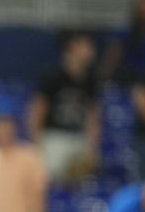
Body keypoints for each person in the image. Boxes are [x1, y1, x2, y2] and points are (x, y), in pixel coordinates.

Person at [27, 32, 100, 184]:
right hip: (53, 138)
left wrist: (91, 147)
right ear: (73, 45)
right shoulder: (53, 75)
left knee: (81, 184)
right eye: (86, 45)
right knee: (49, 183)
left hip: (78, 137)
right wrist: (36, 144)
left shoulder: (91, 79)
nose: (91, 50)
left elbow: (92, 116)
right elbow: (37, 111)